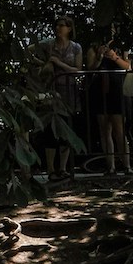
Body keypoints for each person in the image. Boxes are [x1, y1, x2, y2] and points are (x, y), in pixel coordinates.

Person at [89, 26, 133, 174]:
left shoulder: (122, 46)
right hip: (100, 90)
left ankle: (127, 166)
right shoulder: (94, 48)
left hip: (118, 90)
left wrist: (115, 56)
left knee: (119, 129)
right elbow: (90, 69)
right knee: (104, 129)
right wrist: (100, 57)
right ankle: (111, 166)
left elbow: (128, 66)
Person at [44, 18, 83, 181]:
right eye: (57, 25)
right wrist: (43, 64)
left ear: (69, 28)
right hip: (52, 93)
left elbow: (78, 70)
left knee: (67, 129)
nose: (58, 28)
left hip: (69, 92)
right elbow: (29, 50)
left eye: (62, 25)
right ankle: (51, 169)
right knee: (51, 131)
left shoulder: (75, 47)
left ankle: (63, 167)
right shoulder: (48, 44)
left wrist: (59, 63)